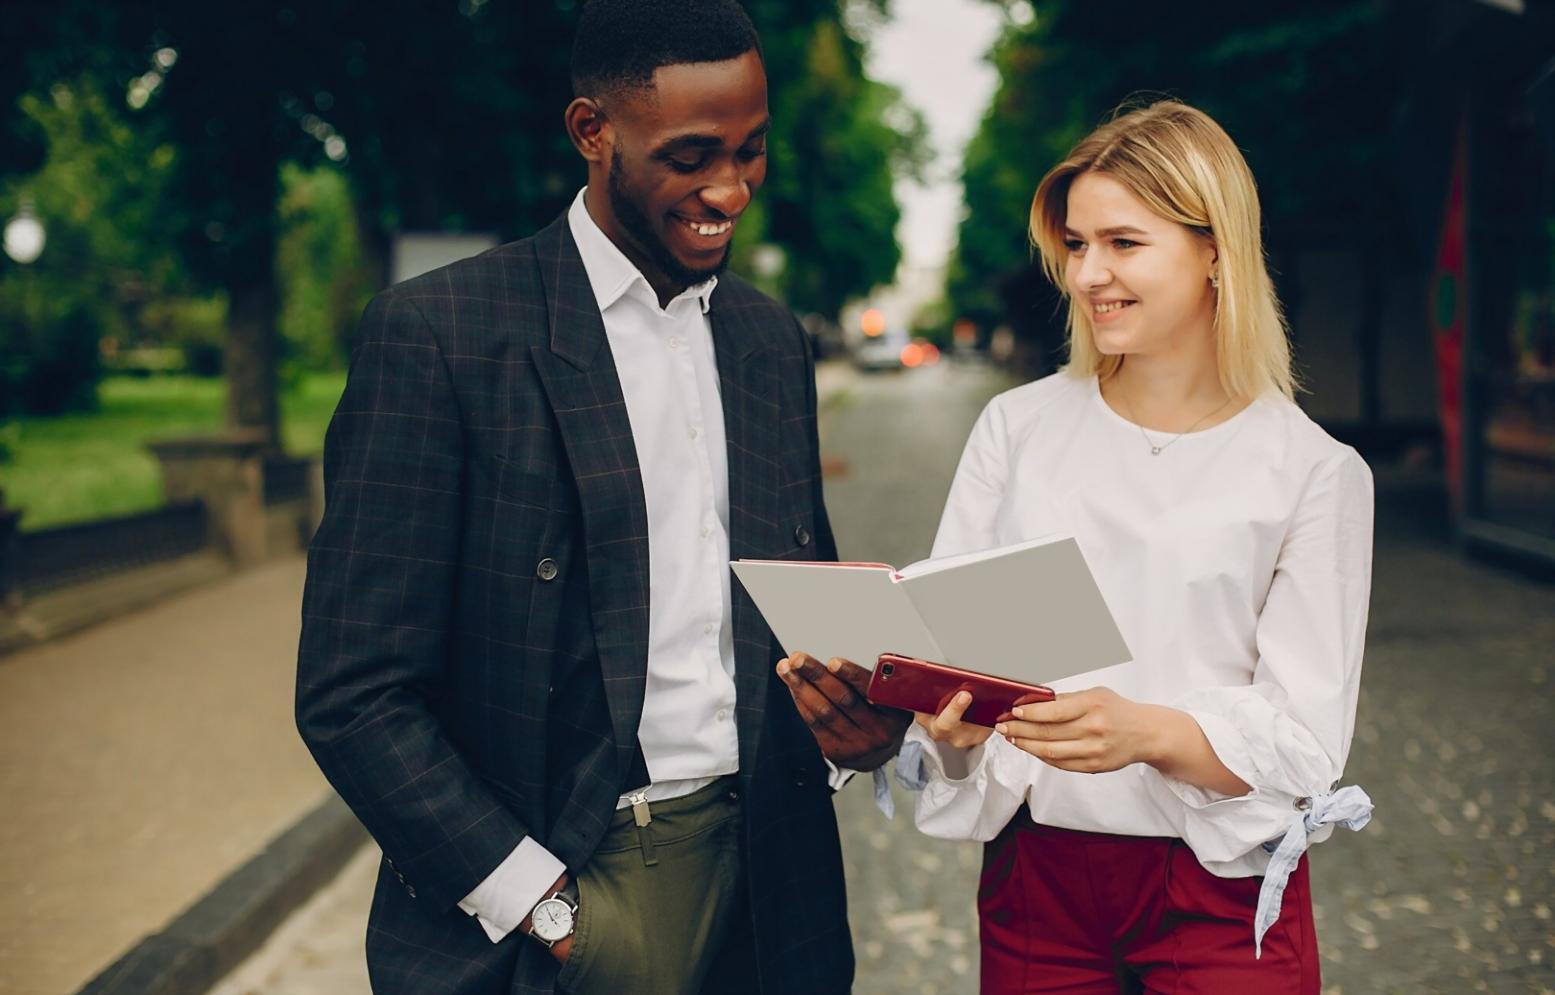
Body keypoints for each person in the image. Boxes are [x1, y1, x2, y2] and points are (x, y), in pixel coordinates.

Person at [295, 3, 899, 992]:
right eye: (690, 156)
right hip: (568, 896)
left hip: (774, 887)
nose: (728, 189)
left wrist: (855, 732)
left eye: (750, 150)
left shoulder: (769, 340)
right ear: (592, 130)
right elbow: (352, 691)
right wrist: (544, 907)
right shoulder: (443, 335)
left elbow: (799, 624)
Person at [894, 100, 1375, 993]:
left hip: (1218, 891)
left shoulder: (1313, 469)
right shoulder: (1016, 428)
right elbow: (954, 670)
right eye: (1076, 244)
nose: (1087, 274)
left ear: (1214, 251)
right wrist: (947, 730)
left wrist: (1146, 731)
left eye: (1123, 242)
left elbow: (1305, 739)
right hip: (1036, 881)